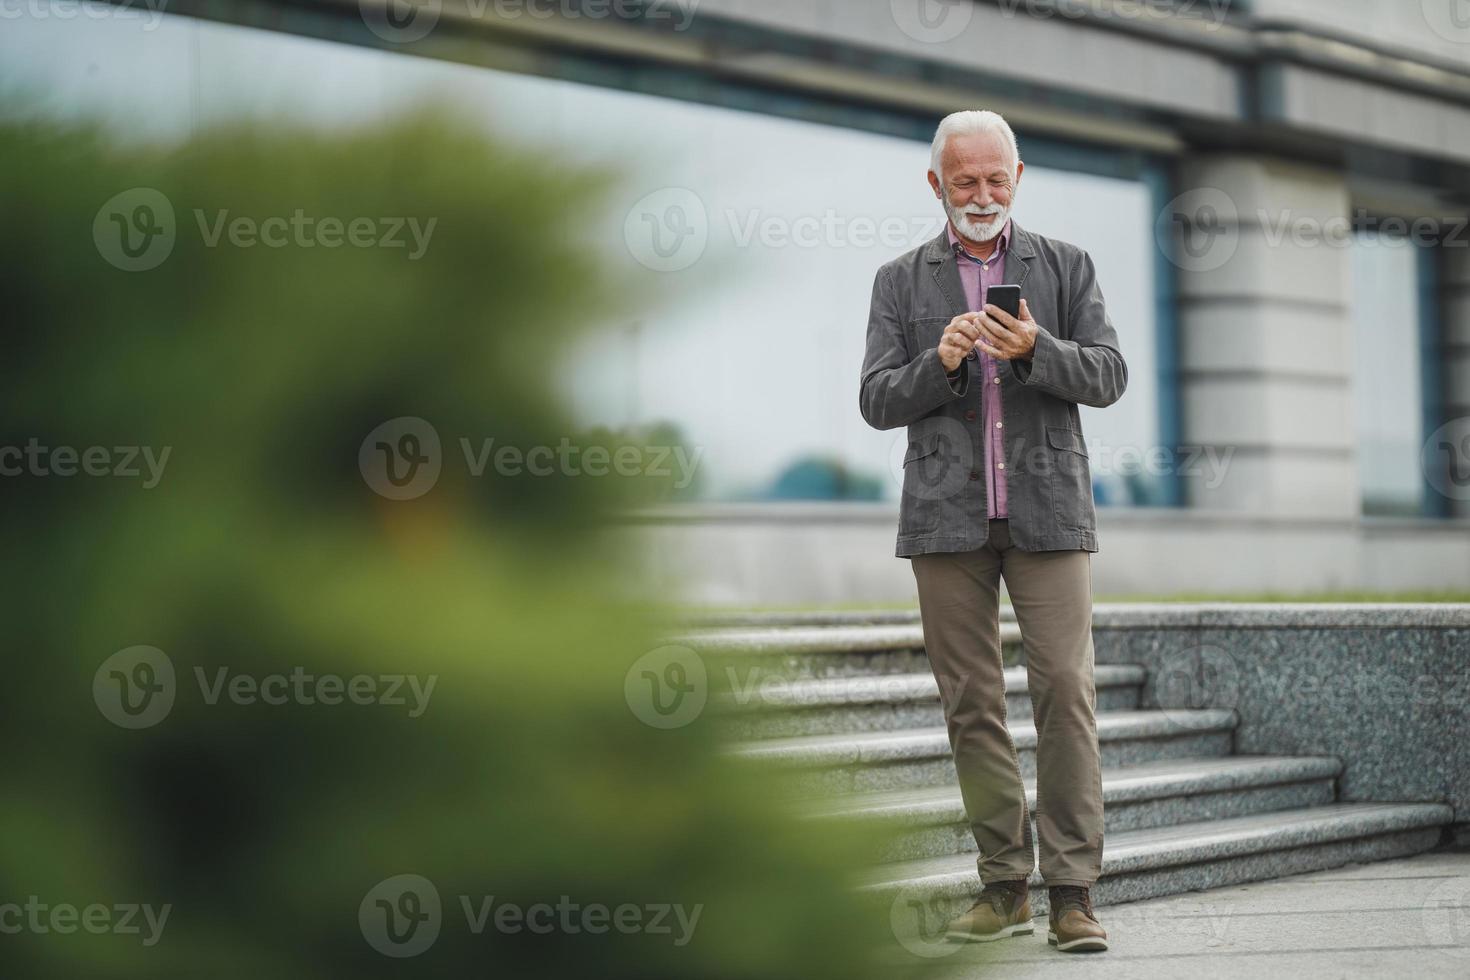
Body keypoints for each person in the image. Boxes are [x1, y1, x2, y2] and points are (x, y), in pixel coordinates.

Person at [858, 109, 1127, 953]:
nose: (981, 195)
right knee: (971, 705)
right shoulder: (900, 280)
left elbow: (1110, 375)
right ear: (935, 185)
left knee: (1065, 695)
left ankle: (1073, 893)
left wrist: (1038, 348)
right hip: (945, 520)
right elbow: (874, 401)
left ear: (1020, 178)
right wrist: (936, 366)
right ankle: (1004, 884)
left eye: (995, 179)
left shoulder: (1068, 266)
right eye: (964, 181)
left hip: (1049, 513)